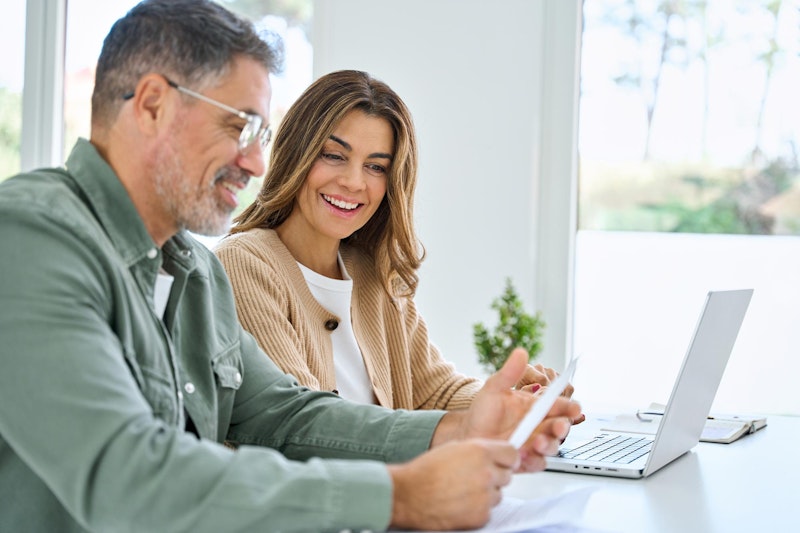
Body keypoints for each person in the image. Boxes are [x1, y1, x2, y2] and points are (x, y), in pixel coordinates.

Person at [0, 1, 582, 532]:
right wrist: (395, 496)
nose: (256, 161)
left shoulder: (193, 273)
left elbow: (286, 415)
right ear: (153, 104)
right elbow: (127, 475)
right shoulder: (29, 238)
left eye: (262, 134)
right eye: (240, 126)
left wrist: (461, 428)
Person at [215, 69, 577, 410]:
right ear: (296, 152)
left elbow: (436, 391)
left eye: (376, 167)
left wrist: (513, 403)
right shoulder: (244, 264)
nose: (354, 182)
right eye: (334, 155)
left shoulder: (372, 273)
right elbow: (303, 422)